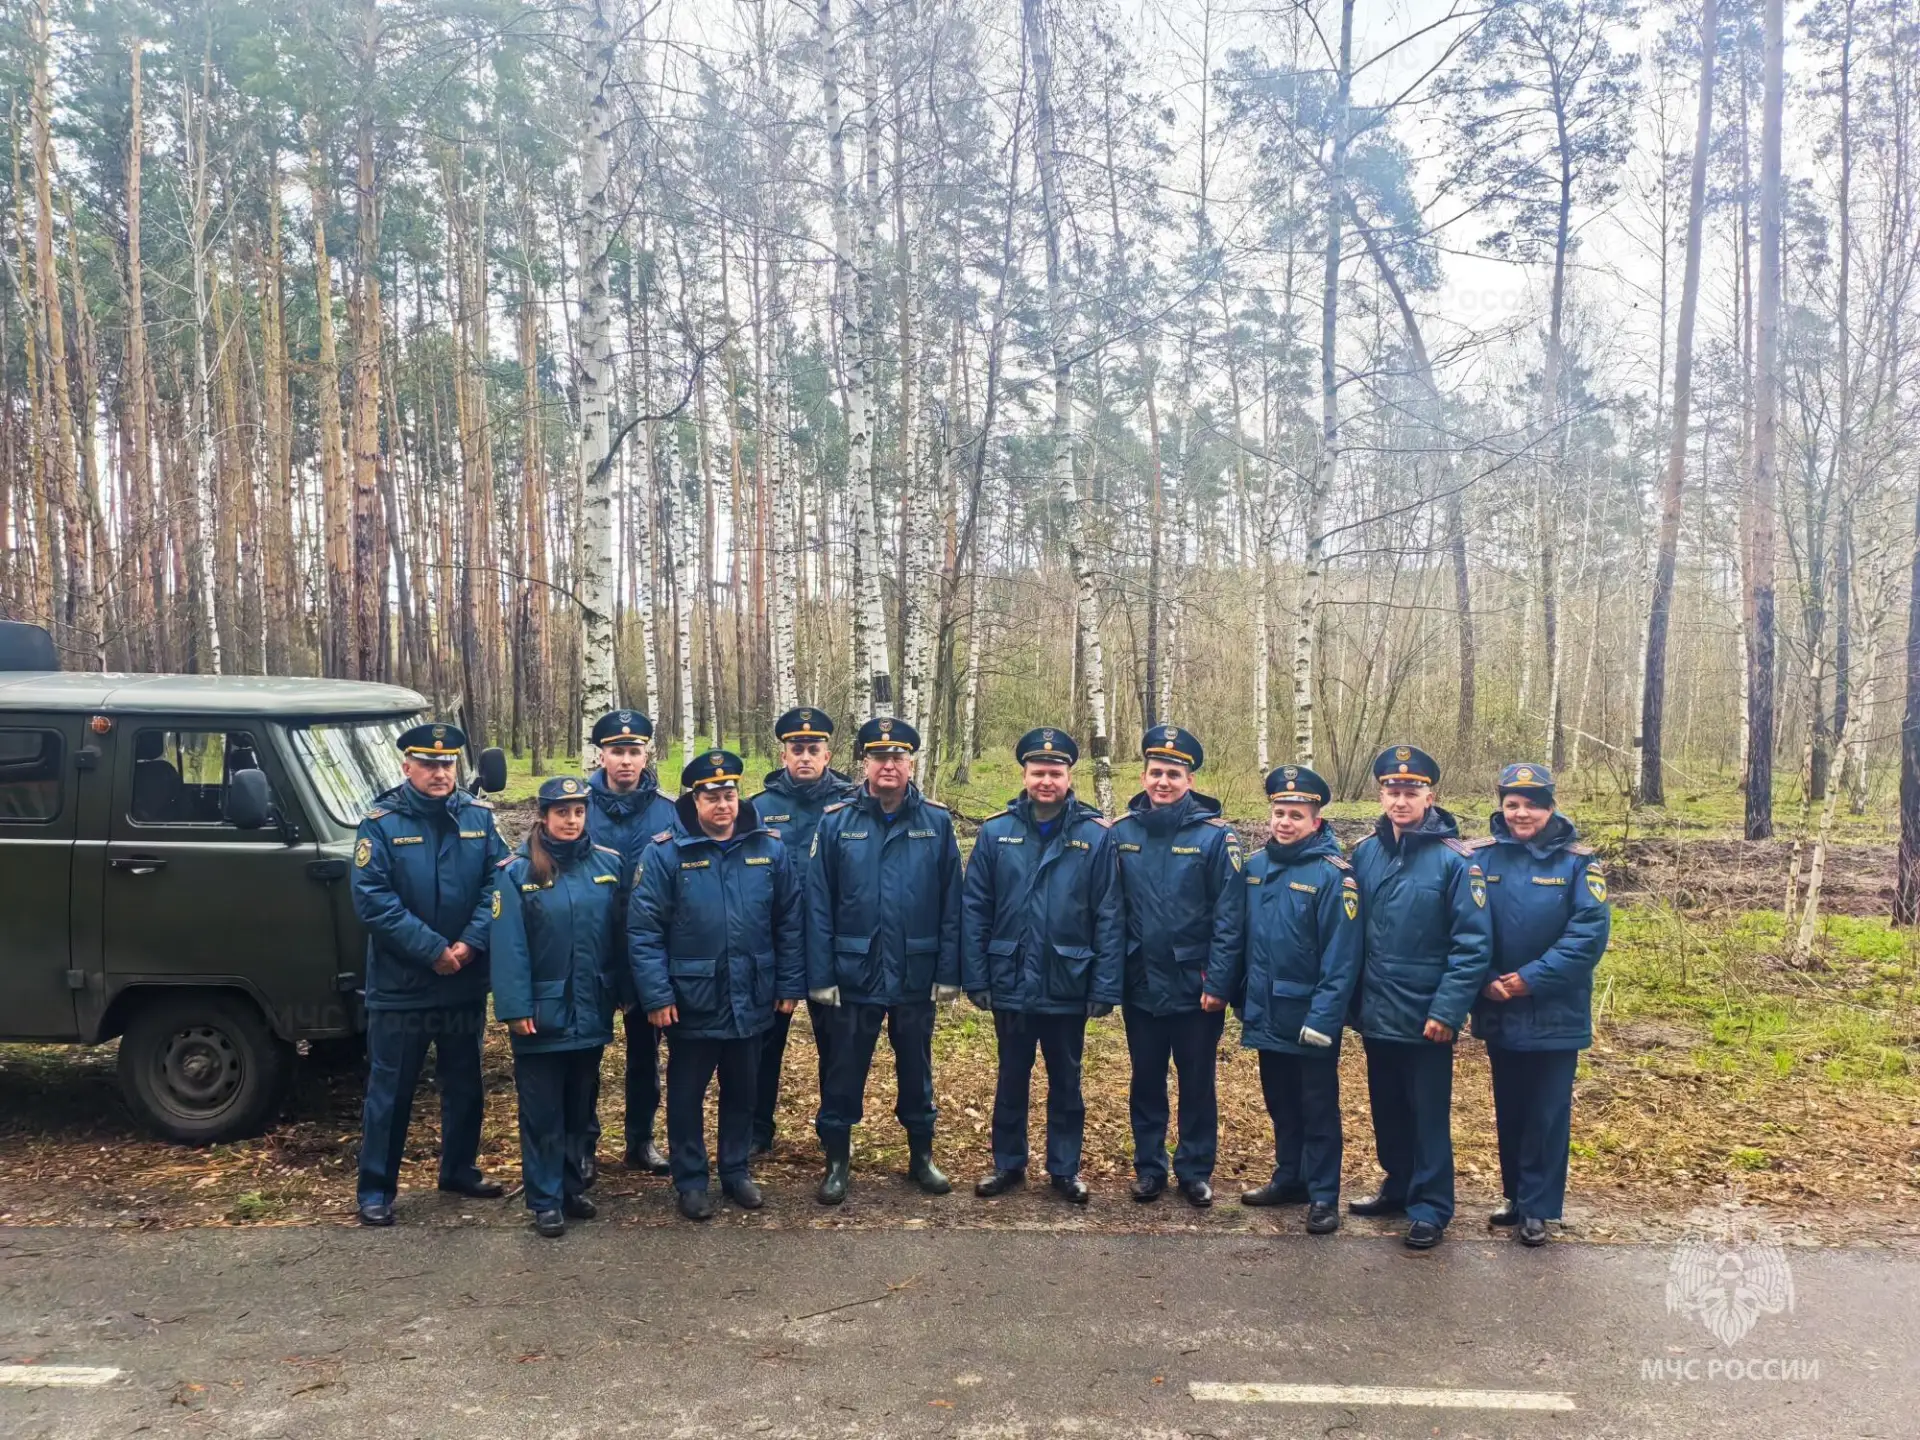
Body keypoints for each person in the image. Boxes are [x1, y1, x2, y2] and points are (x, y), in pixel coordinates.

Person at [628, 750, 804, 1220]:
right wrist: (658, 994)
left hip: (752, 993)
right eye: (712, 796)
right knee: (686, 1094)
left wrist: (789, 982)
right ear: (695, 799)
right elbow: (644, 931)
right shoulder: (666, 851)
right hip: (691, 1000)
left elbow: (789, 921)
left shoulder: (769, 848)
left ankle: (735, 1171)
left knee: (743, 1090)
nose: (723, 804)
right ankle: (690, 1179)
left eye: (729, 794)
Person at [350, 722, 510, 1227]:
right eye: (429, 763)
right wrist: (435, 950)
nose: (440, 772)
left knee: (464, 1082)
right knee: (391, 1089)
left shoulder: (479, 819)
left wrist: (469, 943)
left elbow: (498, 883)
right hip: (404, 986)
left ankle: (458, 1168)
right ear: (408, 767)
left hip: (463, 979)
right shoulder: (380, 823)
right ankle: (376, 1188)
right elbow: (373, 901)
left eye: (447, 764)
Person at [806, 716, 963, 1204]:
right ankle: (837, 1162)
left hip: (916, 973)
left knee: (916, 1071)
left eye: (898, 758)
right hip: (855, 973)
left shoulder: (936, 822)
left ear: (911, 764)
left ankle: (921, 1157)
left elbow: (951, 903)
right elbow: (818, 903)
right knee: (843, 1072)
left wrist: (949, 973)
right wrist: (821, 975)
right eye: (879, 758)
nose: (889, 766)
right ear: (865, 765)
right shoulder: (836, 822)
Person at [963, 728, 1123, 1204]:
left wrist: (1105, 986)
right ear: (1025, 775)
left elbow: (1109, 914)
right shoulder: (996, 832)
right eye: (1038, 772)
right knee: (1011, 1078)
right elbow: (975, 908)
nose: (1046, 780)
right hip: (1009, 978)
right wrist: (976, 975)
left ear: (1069, 776)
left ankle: (1063, 1168)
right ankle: (1008, 1165)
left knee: (1066, 1083)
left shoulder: (1095, 836)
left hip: (1067, 981)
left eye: (1055, 772)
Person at [1345, 743, 1493, 1250]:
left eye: (1411, 790)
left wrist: (1448, 1009)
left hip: (1427, 1013)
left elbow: (1472, 944)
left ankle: (1431, 1205)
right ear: (1380, 793)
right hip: (1376, 1009)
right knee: (1387, 1106)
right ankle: (1398, 1183)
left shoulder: (1455, 862)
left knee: (1427, 1112)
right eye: (1392, 789)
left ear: (1431, 796)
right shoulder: (1365, 852)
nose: (1400, 799)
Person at [1213, 764, 1362, 1235]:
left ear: (1316, 821)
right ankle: (1289, 1177)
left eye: (1296, 815)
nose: (1284, 822)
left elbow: (1342, 957)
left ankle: (1323, 1195)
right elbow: (1238, 938)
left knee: (1318, 1108)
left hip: (1309, 1018)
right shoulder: (1255, 867)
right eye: (1279, 812)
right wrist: (1237, 996)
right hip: (1265, 1010)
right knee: (1280, 1101)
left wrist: (1324, 1017)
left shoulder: (1333, 875)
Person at [1470, 762, 1611, 1247]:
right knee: (1510, 1107)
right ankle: (1515, 1196)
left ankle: (1539, 1207)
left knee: (1546, 1112)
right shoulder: (1481, 859)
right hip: (1497, 1004)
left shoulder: (1578, 864)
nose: (1520, 813)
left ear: (1550, 808)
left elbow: (1587, 936)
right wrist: (1487, 979)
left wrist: (1528, 980)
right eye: (1512, 804)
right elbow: (1467, 927)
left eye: (1531, 804)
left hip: (1555, 1009)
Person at [1107, 725, 1244, 1208]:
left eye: (1174, 773)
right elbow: (1110, 911)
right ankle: (1149, 1167)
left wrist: (1220, 982)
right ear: (1143, 776)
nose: (1163, 781)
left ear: (1189, 779)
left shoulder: (1215, 837)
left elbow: (1230, 917)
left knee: (1197, 1082)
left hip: (1196, 985)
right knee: (1146, 1080)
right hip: (1140, 982)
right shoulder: (1121, 834)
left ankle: (1194, 1169)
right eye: (1156, 772)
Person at [488, 777, 624, 1238]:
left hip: (591, 1008)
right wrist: (514, 1006)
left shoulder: (607, 866)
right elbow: (508, 948)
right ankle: (544, 1198)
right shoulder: (515, 872)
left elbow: (618, 938)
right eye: (561, 812)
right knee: (542, 1110)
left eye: (578, 812)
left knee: (579, 1103)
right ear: (543, 817)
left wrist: (625, 991)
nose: (571, 820)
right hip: (540, 1013)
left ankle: (571, 1186)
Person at [751, 707, 858, 1155]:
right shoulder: (758, 807)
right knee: (763, 1041)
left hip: (831, 941)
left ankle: (834, 1132)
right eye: (797, 749)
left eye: (814, 749)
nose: (805, 757)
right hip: (773, 943)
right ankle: (757, 1129)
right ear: (783, 754)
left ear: (828, 753)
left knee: (836, 1044)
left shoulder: (852, 804)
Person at [584, 709, 679, 1178]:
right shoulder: (576, 806)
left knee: (646, 1053)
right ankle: (582, 1144)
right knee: (585, 1052)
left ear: (646, 754)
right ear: (601, 754)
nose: (625, 760)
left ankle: (640, 1140)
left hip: (646, 952)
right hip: (591, 950)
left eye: (634, 751)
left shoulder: (669, 809)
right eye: (617, 751)